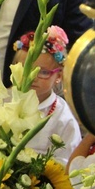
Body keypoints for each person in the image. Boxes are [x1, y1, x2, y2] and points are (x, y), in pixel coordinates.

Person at [10, 26, 81, 166]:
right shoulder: (3, 100)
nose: (32, 77)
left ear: (58, 76)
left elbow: (67, 163)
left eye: (43, 72)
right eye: (26, 68)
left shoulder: (63, 118)